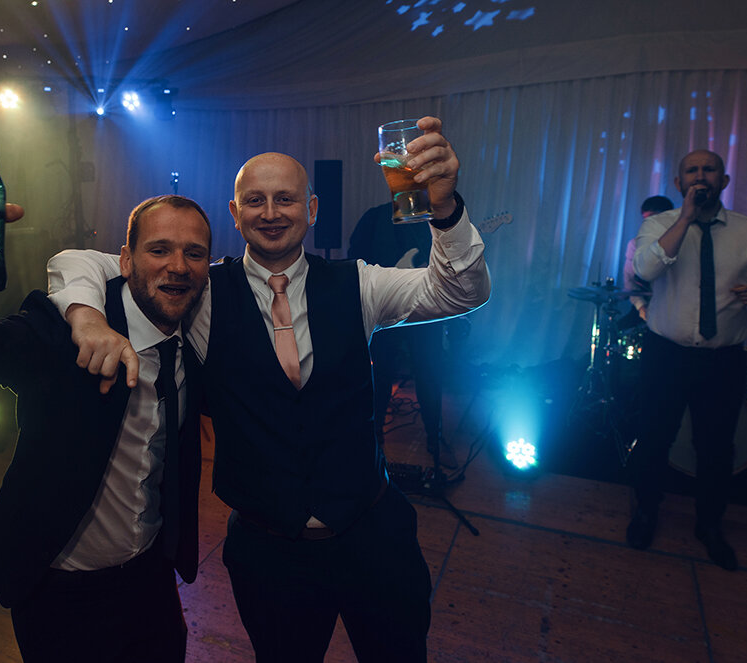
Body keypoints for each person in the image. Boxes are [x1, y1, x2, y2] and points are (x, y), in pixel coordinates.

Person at [48, 116, 491, 661]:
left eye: (286, 199)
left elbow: (461, 290)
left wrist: (443, 211)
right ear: (234, 215)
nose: (271, 212)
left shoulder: (359, 283)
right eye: (254, 200)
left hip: (374, 537)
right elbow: (81, 260)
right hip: (269, 553)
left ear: (312, 210)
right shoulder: (201, 289)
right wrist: (88, 317)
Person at [0, 192, 211, 662]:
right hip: (60, 587)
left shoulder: (192, 338)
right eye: (159, 249)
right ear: (125, 260)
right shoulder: (63, 331)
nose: (178, 265)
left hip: (150, 580)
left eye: (193, 253)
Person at [626, 150, 747, 570]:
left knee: (716, 447)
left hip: (723, 358)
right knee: (654, 438)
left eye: (708, 169)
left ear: (724, 180)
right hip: (666, 354)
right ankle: (645, 511)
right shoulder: (659, 226)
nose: (701, 176)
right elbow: (644, 270)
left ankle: (710, 525)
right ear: (679, 184)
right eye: (691, 171)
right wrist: (684, 219)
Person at [348, 201, 450, 458]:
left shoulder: (434, 217)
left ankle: (434, 437)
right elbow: (354, 258)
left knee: (429, 373)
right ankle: (375, 435)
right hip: (385, 309)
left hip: (425, 308)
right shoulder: (374, 217)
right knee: (379, 373)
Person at [621, 195, 674, 324]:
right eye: (646, 220)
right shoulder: (635, 244)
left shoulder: (683, 243)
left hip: (674, 310)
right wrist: (641, 306)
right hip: (645, 307)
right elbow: (630, 282)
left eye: (653, 219)